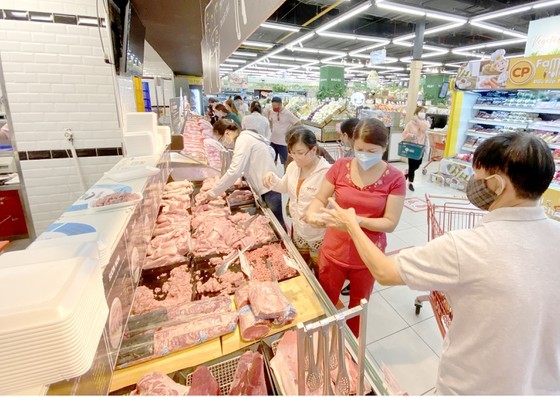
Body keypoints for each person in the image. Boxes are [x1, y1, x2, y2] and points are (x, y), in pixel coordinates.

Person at [320, 132, 560, 395]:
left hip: (471, 386)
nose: (473, 184)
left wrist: (352, 225)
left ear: (498, 185)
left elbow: (385, 272)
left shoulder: (467, 246)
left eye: (478, 178)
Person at [303, 118, 406, 336]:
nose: (364, 155)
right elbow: (320, 198)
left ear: (384, 148)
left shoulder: (395, 178)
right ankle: (323, 341)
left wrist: (355, 221)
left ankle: (349, 350)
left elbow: (390, 223)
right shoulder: (340, 167)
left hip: (368, 255)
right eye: (359, 149)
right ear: (352, 144)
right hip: (334, 249)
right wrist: (313, 213)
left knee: (358, 309)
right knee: (325, 302)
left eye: (372, 150)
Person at [263, 127, 331, 275]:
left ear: (313, 150)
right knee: (302, 269)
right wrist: (272, 179)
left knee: (321, 271)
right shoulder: (293, 166)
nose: (295, 157)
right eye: (292, 152)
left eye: (300, 153)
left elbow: (333, 205)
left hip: (319, 233)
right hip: (299, 230)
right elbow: (284, 187)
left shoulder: (327, 173)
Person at [203, 119, 285, 229]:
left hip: (270, 189)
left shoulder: (243, 140)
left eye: (221, 139)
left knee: (278, 226)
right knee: (275, 223)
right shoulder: (246, 138)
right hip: (267, 186)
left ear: (227, 132)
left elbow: (234, 171)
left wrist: (213, 193)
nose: (223, 142)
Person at [402, 106, 430, 191]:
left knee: (418, 163)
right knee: (412, 164)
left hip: (421, 147)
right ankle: (410, 182)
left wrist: (418, 121)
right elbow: (404, 134)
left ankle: (407, 172)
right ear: (417, 112)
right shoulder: (410, 124)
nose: (423, 113)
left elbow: (423, 129)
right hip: (412, 146)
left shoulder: (425, 123)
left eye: (424, 111)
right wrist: (411, 135)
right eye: (421, 111)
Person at [268, 96, 300, 165]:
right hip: (273, 140)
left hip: (283, 143)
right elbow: (270, 120)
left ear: (280, 104)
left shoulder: (287, 113)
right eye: (273, 106)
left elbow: (298, 123)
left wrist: (290, 131)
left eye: (276, 106)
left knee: (286, 162)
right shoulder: (271, 111)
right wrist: (272, 128)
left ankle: (286, 175)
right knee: (272, 161)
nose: (274, 108)